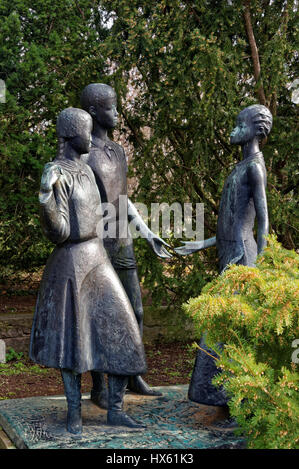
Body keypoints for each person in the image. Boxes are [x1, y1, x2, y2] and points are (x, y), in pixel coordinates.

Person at [29, 107, 147, 434]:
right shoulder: (58, 172)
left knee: (125, 330)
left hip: (98, 259)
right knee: (74, 344)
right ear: (71, 134)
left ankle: (117, 408)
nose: (91, 138)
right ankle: (74, 414)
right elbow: (60, 232)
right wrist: (45, 197)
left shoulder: (85, 170)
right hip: (70, 264)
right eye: (87, 131)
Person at [80, 83, 172, 406]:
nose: (117, 113)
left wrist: (147, 232)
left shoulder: (117, 151)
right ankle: (99, 387)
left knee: (136, 310)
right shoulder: (83, 154)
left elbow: (124, 200)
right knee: (102, 316)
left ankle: (132, 374)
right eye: (112, 107)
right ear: (94, 112)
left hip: (123, 242)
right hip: (97, 247)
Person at [175, 104, 273, 406]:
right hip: (229, 253)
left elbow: (262, 220)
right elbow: (231, 222)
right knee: (222, 329)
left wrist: (259, 268)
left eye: (238, 125)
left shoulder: (255, 167)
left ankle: (236, 403)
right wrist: (200, 245)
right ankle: (222, 399)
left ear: (255, 130)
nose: (232, 130)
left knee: (229, 331)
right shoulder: (241, 166)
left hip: (243, 259)